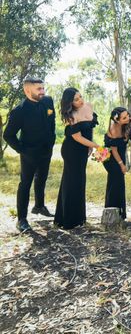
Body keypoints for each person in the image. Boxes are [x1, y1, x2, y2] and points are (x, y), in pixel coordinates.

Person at [3, 77, 56, 232]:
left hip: (46, 150)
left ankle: (39, 206)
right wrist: (23, 150)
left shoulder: (48, 101)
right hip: (29, 154)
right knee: (25, 184)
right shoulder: (19, 111)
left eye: (42, 88)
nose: (42, 91)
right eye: (38, 89)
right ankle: (22, 219)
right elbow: (8, 135)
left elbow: (52, 121)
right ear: (27, 90)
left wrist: (52, 140)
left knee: (42, 179)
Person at [54, 88, 99, 229]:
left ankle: (78, 218)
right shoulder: (71, 115)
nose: (80, 100)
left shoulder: (88, 106)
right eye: (76, 99)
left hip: (83, 149)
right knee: (71, 182)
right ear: (70, 102)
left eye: (80, 97)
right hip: (72, 150)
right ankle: (68, 219)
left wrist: (90, 146)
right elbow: (77, 137)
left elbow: (89, 128)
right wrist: (96, 145)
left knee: (79, 181)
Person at [103, 107, 131, 221]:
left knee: (120, 185)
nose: (128, 118)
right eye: (124, 118)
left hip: (120, 156)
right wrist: (122, 165)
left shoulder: (127, 124)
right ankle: (111, 215)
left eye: (128, 115)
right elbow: (114, 150)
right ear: (117, 120)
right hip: (113, 159)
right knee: (115, 184)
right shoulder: (113, 129)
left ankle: (120, 215)